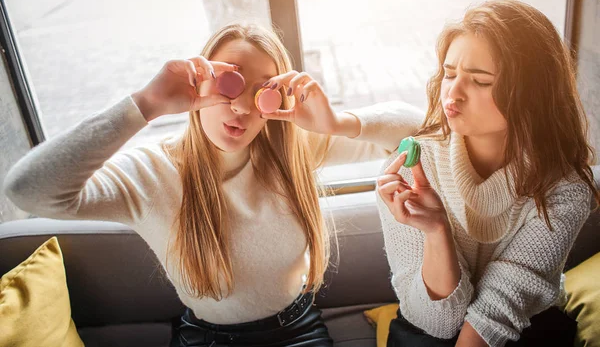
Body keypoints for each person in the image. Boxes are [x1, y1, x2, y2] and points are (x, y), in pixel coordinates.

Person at [3, 22, 423, 346]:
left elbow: (415, 128)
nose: (240, 107)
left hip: (297, 328)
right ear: (197, 84)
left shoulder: (295, 150)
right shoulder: (152, 171)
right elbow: (28, 190)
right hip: (208, 338)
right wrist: (145, 105)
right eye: (229, 83)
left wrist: (337, 122)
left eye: (262, 92)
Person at [376, 0, 600, 347]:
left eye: (480, 81)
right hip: (427, 332)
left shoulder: (564, 188)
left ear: (532, 95)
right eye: (449, 74)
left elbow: (499, 308)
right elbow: (437, 322)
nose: (453, 92)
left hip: (523, 329)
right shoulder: (411, 168)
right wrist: (437, 230)